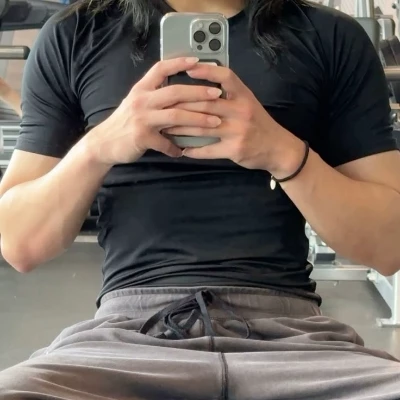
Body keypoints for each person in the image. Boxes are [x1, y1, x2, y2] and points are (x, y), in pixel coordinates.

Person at [0, 0, 400, 397]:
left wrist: (282, 153)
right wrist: (99, 146)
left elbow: (390, 246)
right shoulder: (75, 34)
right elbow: (20, 244)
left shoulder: (330, 36)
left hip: (296, 341)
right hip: (129, 337)